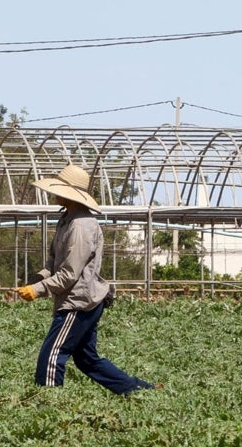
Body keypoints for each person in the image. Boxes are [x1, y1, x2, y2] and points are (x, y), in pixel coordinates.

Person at [16, 164, 157, 395]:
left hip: (78, 302)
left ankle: (47, 404)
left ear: (69, 193)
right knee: (87, 359)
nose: (54, 193)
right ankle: (141, 390)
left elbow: (69, 274)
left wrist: (38, 290)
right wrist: (37, 278)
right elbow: (54, 262)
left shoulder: (81, 225)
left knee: (52, 354)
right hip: (80, 300)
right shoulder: (67, 220)